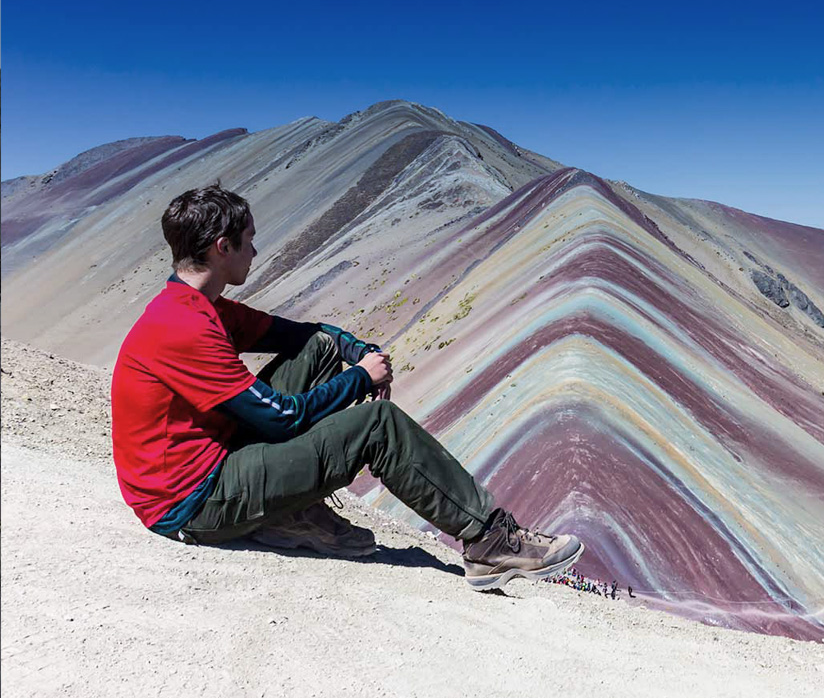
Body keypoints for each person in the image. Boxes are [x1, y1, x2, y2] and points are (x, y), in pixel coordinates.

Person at [110, 183, 584, 591]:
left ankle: (289, 511)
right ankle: (490, 542)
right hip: (192, 501)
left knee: (318, 348)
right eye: (249, 240)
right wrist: (362, 377)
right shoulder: (184, 327)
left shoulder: (200, 307)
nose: (255, 251)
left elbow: (308, 336)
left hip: (209, 464)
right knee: (378, 425)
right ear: (222, 246)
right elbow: (280, 417)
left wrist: (358, 351)